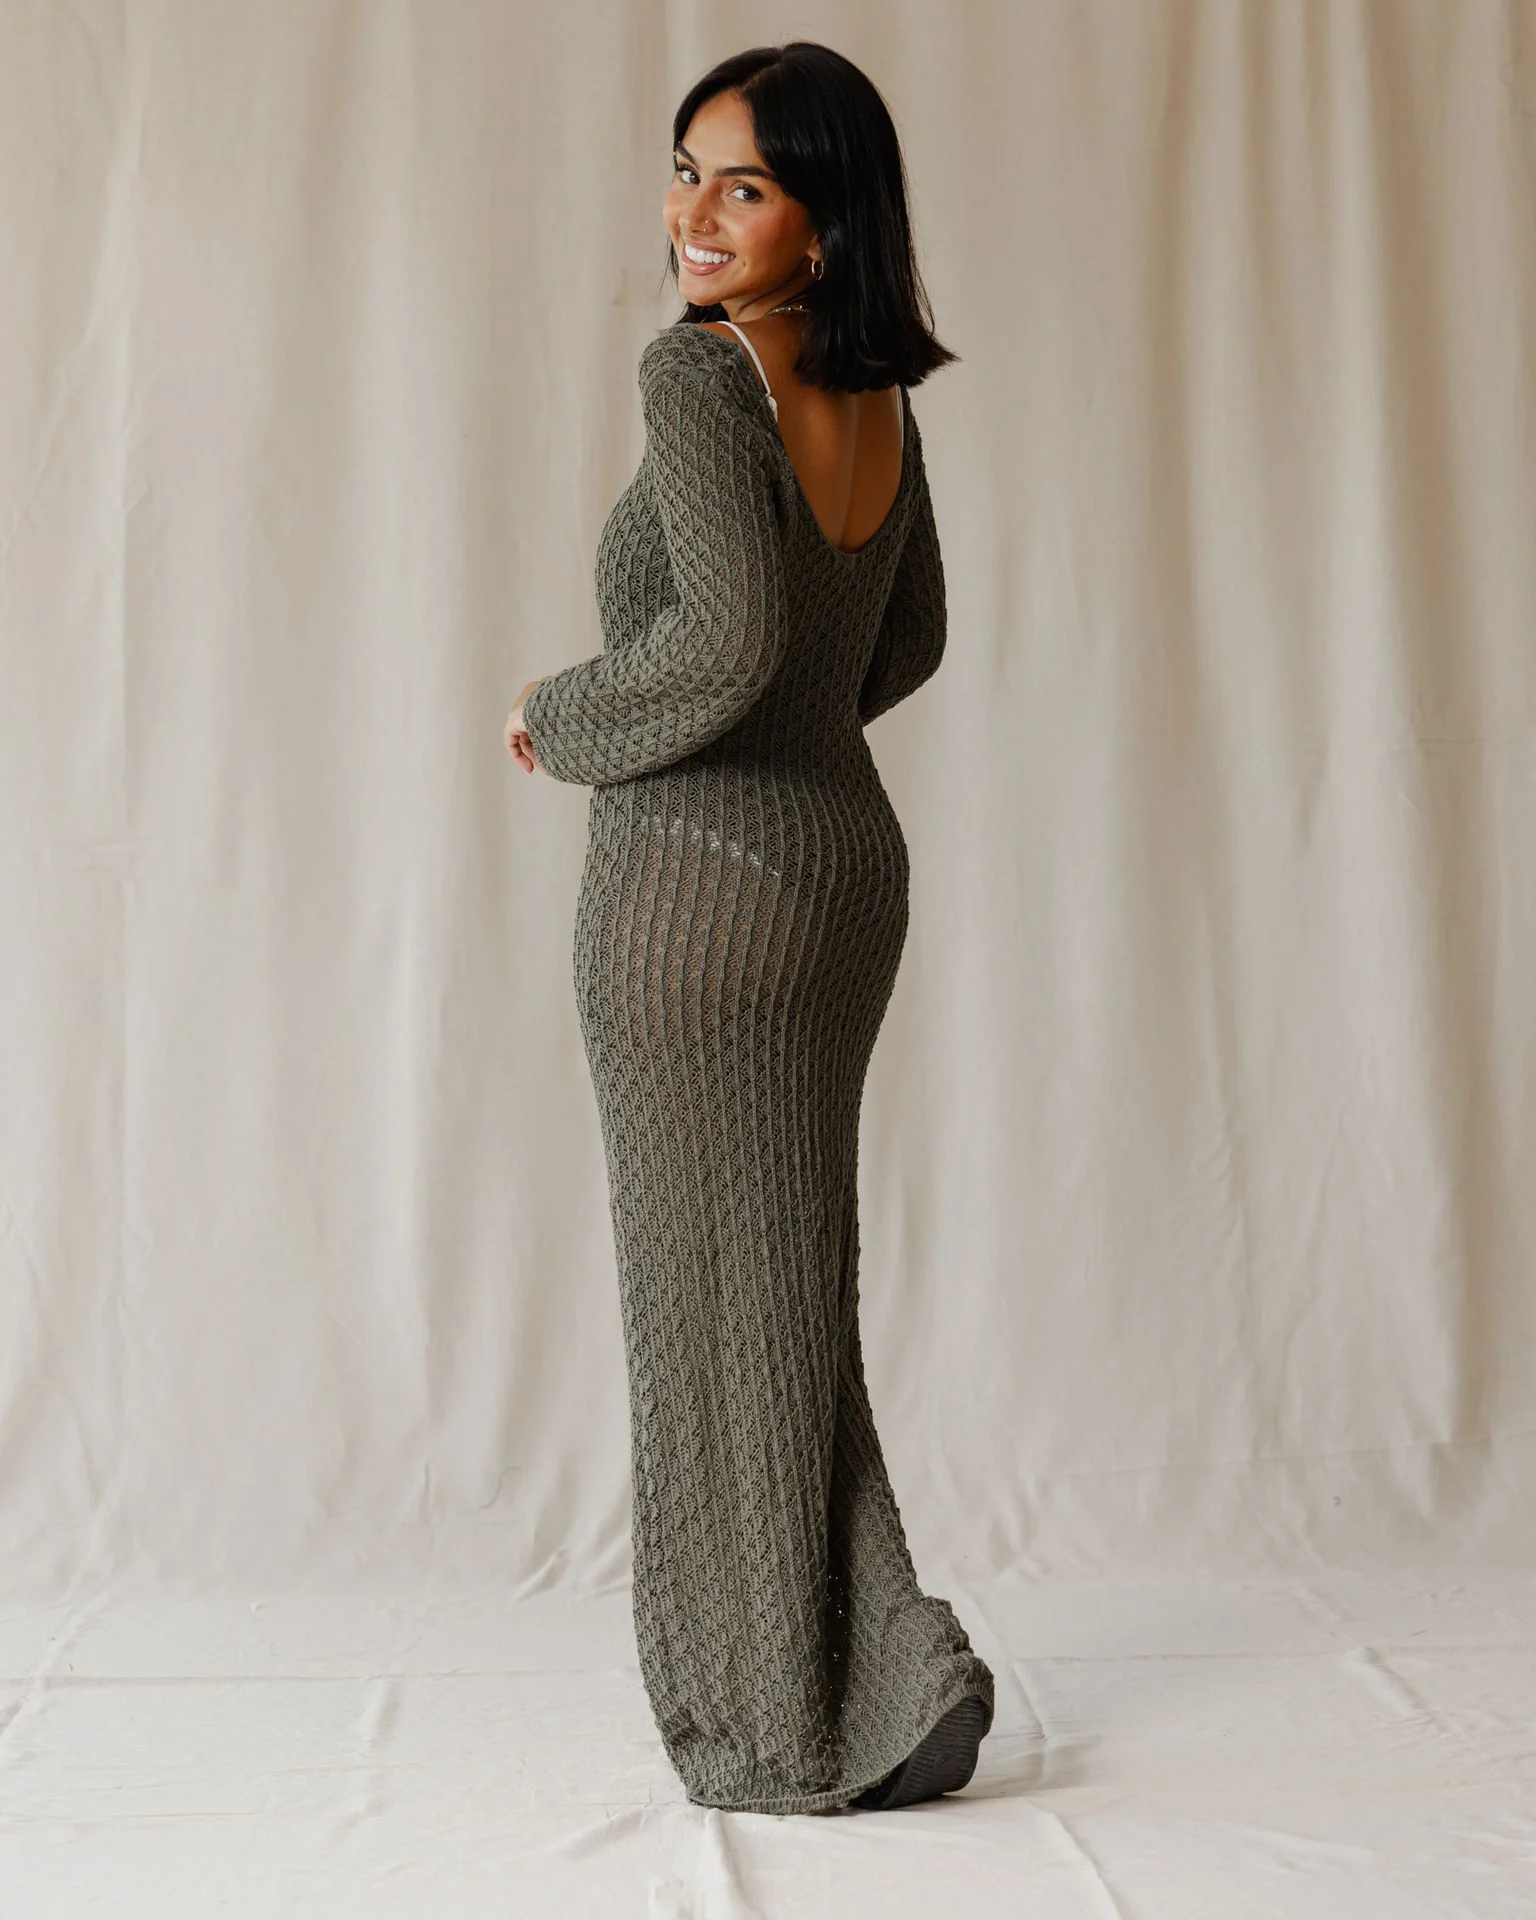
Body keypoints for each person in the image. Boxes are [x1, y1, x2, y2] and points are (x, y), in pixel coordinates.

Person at [504, 41, 994, 1815]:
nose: (696, 216)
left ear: (824, 221)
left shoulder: (703, 376)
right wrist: (796, 735)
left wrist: (559, 716)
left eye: (748, 187)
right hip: (844, 872)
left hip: (694, 900)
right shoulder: (874, 400)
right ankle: (885, 1671)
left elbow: (717, 644)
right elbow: (904, 640)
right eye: (686, 171)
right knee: (782, 1299)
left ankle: (775, 1726)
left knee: (704, 1315)